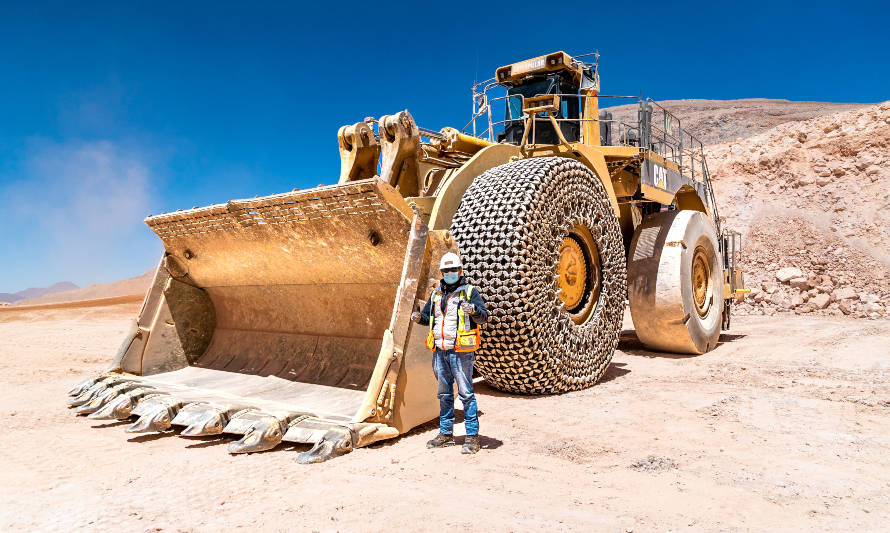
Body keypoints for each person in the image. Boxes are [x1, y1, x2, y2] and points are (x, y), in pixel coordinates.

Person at [411, 252, 489, 454]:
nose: (450, 273)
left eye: (453, 270)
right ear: (442, 273)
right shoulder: (436, 294)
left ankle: (472, 438)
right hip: (440, 352)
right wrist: (418, 317)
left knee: (466, 394)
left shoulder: (469, 292)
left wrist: (473, 310)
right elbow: (429, 317)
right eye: (446, 271)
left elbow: (483, 318)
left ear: (460, 271)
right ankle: (445, 434)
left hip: (461, 352)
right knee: (444, 394)